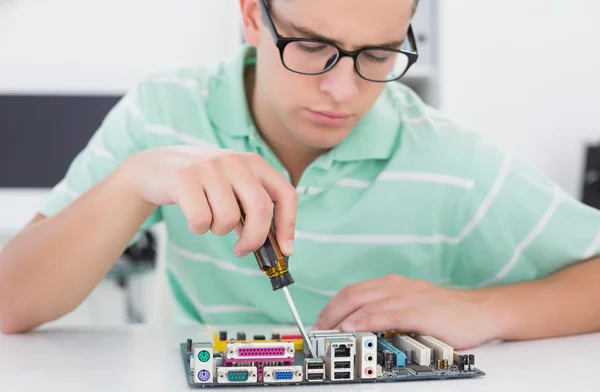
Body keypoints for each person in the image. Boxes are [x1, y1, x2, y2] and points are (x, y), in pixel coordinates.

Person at [1, 0, 599, 349]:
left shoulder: (453, 161)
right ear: (251, 16)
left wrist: (485, 309)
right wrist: (134, 181)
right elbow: (9, 303)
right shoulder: (163, 112)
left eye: (379, 54)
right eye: (312, 47)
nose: (342, 91)